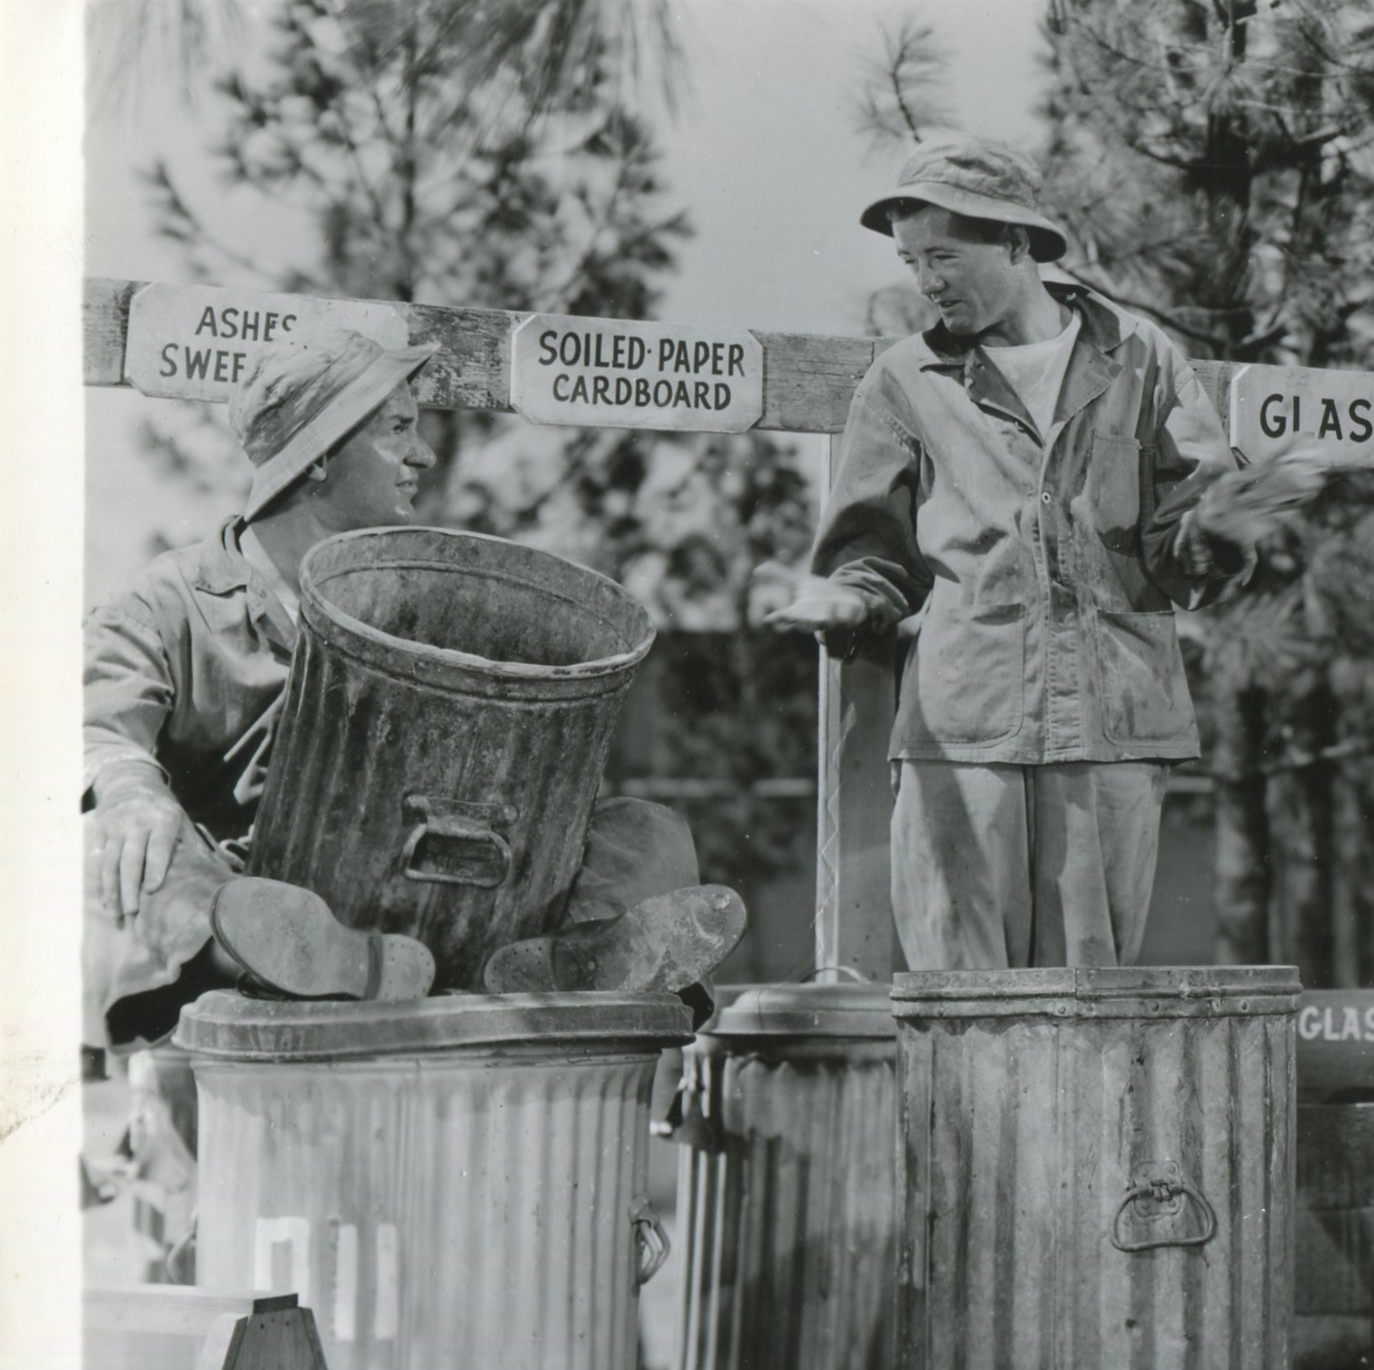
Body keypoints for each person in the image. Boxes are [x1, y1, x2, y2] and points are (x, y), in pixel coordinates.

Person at [82, 331, 742, 1056]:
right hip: (257, 890)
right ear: (321, 454)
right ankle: (284, 958)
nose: (423, 454)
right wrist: (128, 785)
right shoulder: (169, 598)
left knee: (645, 830)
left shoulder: (425, 599)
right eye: (397, 428)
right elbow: (95, 720)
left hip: (435, 893)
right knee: (131, 845)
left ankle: (566, 962)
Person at [769, 138, 1275, 971]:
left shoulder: (1142, 360)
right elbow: (872, 555)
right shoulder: (904, 380)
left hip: (1113, 728)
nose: (924, 280)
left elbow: (1182, 546)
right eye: (910, 259)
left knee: (1090, 994)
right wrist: (850, 598)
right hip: (966, 730)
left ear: (1015, 243)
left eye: (943, 254)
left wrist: (1218, 530)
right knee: (959, 991)